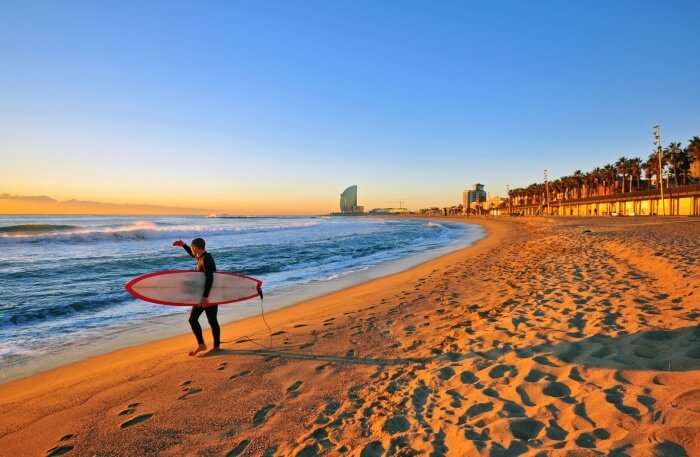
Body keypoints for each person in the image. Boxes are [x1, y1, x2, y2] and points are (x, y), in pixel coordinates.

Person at [172, 237, 220, 356]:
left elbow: (210, 278)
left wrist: (205, 297)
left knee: (198, 320)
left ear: (196, 248)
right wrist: (183, 245)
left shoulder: (206, 259)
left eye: (192, 248)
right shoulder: (201, 257)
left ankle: (211, 346)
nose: (192, 251)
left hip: (208, 295)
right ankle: (209, 345)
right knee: (208, 320)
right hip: (206, 294)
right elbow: (193, 255)